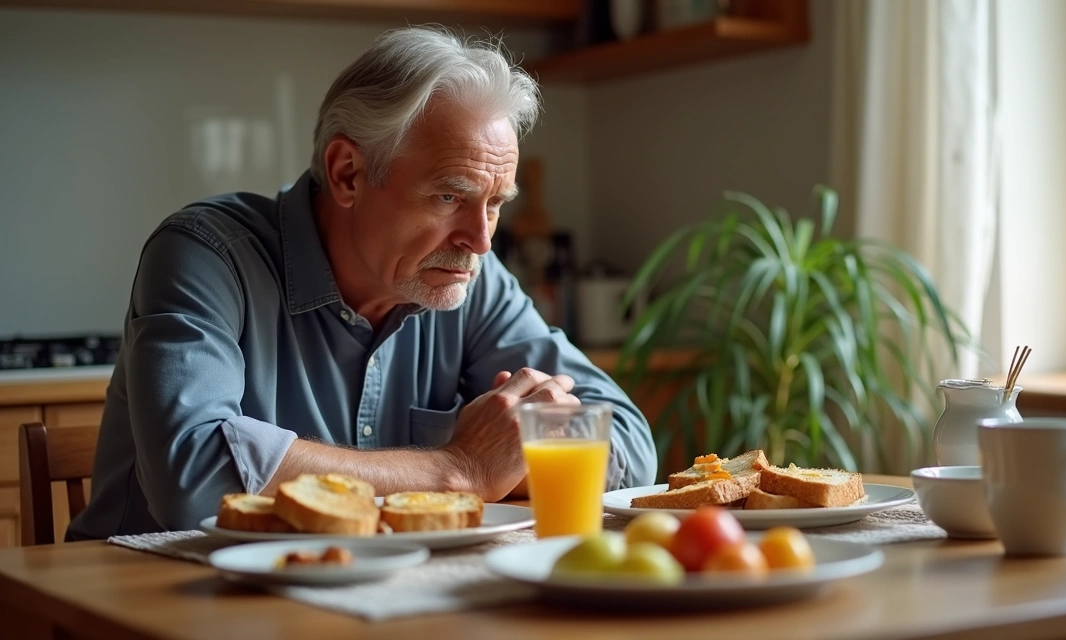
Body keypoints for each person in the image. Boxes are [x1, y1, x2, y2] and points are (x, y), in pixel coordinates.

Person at [67, 27, 657, 540]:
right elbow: (192, 479)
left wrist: (520, 444)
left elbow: (628, 440)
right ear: (347, 172)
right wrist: (461, 468)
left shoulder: (470, 282)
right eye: (449, 196)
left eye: (495, 203)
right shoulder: (206, 255)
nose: (480, 240)